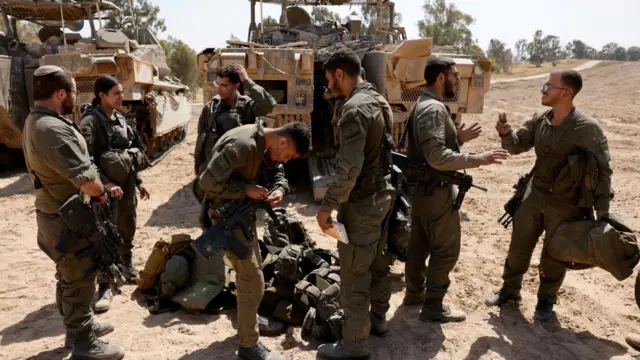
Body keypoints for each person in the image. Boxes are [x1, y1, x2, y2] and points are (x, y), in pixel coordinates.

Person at [485, 69, 613, 321]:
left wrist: (603, 213)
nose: (543, 90)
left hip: (567, 204)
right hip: (534, 195)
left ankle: (545, 302)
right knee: (518, 247)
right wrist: (505, 133)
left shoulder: (587, 129)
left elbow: (603, 171)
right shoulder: (541, 119)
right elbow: (517, 145)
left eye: (548, 86)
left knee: (555, 254)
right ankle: (509, 292)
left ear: (566, 93)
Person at [22, 65, 125, 359]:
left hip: (57, 214)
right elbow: (88, 181)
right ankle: (83, 343)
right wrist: (102, 192)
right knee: (79, 276)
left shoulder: (38, 120)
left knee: (69, 274)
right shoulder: (51, 128)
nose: (76, 99)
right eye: (74, 93)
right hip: (67, 218)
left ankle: (80, 328)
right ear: (60, 93)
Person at [401, 58, 509, 323]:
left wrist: (457, 139)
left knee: (419, 244)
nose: (458, 82)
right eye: (454, 76)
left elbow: (428, 149)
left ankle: (415, 294)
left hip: (422, 191)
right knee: (445, 249)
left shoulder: (425, 105)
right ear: (440, 78)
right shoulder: (433, 109)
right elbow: (436, 157)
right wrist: (478, 158)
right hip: (434, 192)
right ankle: (434, 306)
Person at [197, 120, 310, 360]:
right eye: (288, 155)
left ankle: (247, 319)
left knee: (252, 274)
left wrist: (280, 187)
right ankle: (249, 345)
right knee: (252, 278)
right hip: (225, 217)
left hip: (241, 216)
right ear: (282, 141)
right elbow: (206, 183)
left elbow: (276, 170)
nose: (285, 161)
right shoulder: (243, 145)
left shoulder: (266, 143)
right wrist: (246, 189)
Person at [315, 47, 396, 360]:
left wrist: (327, 207)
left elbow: (348, 168)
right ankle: (377, 322)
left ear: (339, 74)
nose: (329, 86)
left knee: (354, 273)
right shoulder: (378, 100)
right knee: (377, 264)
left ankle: (355, 346)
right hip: (384, 197)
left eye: (330, 79)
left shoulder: (354, 109)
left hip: (361, 204)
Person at [79, 75, 151, 313]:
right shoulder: (91, 122)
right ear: (102, 95)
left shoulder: (120, 118)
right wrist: (106, 184)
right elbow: (86, 161)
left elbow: (128, 153)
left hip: (127, 186)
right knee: (105, 232)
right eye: (117, 93)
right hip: (104, 189)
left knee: (127, 223)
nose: (122, 97)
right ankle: (105, 284)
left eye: (122, 92)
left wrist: (138, 181)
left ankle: (126, 266)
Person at [193, 64, 277, 203]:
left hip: (239, 179)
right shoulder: (210, 107)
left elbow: (269, 104)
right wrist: (199, 171)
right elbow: (201, 139)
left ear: (236, 85)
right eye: (217, 84)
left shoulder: (247, 106)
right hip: (216, 175)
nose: (219, 90)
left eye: (224, 86)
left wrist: (247, 80)